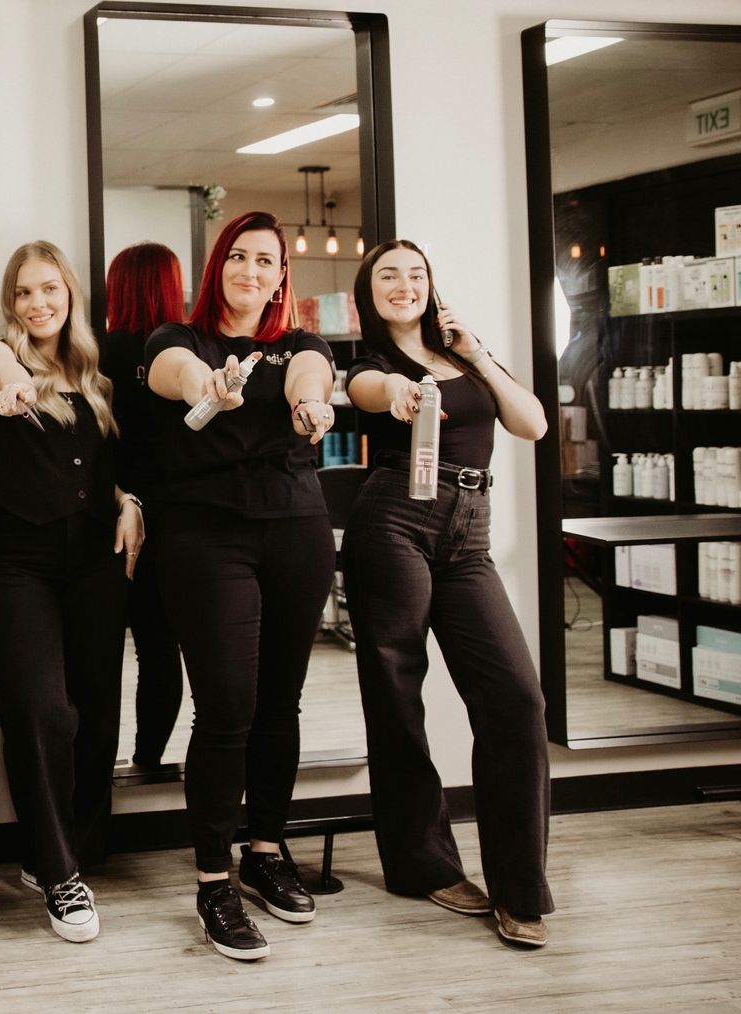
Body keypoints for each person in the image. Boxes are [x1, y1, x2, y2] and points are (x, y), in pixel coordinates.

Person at [341, 239, 553, 948]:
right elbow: (369, 392)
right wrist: (400, 393)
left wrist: (478, 353)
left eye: (416, 274)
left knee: (517, 698)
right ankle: (419, 863)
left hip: (470, 532)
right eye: (387, 277)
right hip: (394, 518)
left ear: (434, 285)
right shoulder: (370, 361)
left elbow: (533, 423)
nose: (404, 285)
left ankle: (521, 891)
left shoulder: (465, 353)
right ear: (367, 294)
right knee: (399, 695)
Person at [141, 210, 335, 962]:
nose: (253, 272)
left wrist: (311, 405)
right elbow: (177, 377)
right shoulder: (176, 342)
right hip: (205, 535)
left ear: (281, 275)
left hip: (296, 528)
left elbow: (313, 381)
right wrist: (212, 385)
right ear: (217, 265)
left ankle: (264, 849)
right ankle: (213, 878)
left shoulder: (301, 347)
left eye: (268, 262)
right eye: (240, 258)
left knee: (280, 702)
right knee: (227, 706)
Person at [0, 240, 142, 943]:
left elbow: (108, 469)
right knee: (43, 710)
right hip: (15, 563)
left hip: (94, 559)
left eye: (51, 290)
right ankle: (59, 870)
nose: (39, 303)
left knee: (97, 714)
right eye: (25, 293)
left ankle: (69, 850)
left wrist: (130, 502)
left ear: (70, 296)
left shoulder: (95, 376)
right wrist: (13, 385)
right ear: (10, 304)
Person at [98, 242, 188, 769]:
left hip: (107, 511)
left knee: (101, 652)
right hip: (172, 513)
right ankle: (147, 761)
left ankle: (100, 766)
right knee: (159, 650)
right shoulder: (185, 353)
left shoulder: (99, 351)